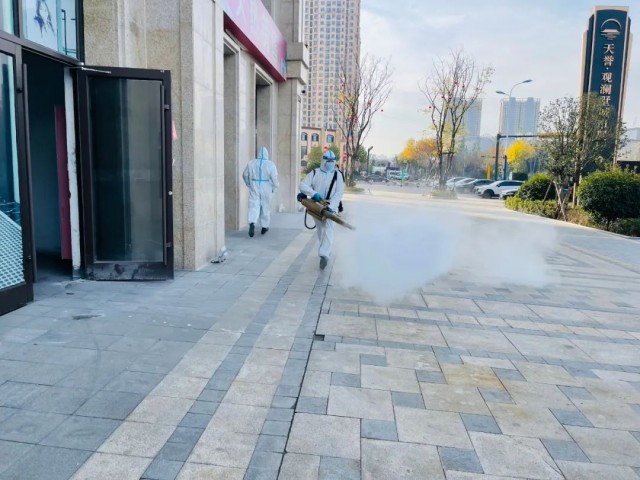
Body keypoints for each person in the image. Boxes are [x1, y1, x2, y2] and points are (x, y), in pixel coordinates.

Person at [299, 150, 345, 270]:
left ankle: (324, 255)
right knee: (320, 230)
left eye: (332, 161)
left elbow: (339, 192)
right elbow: (302, 185)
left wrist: (331, 206)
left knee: (329, 229)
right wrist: (313, 194)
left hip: (331, 207)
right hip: (317, 207)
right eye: (328, 160)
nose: (330, 163)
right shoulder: (315, 173)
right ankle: (325, 250)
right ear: (323, 160)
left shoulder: (338, 175)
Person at [243, 146, 279, 237]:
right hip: (266, 186)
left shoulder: (251, 163)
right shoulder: (270, 164)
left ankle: (252, 222)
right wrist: (275, 186)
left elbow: (245, 175)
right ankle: (264, 226)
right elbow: (274, 178)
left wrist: (248, 184)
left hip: (254, 185)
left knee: (254, 205)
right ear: (267, 154)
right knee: (265, 206)